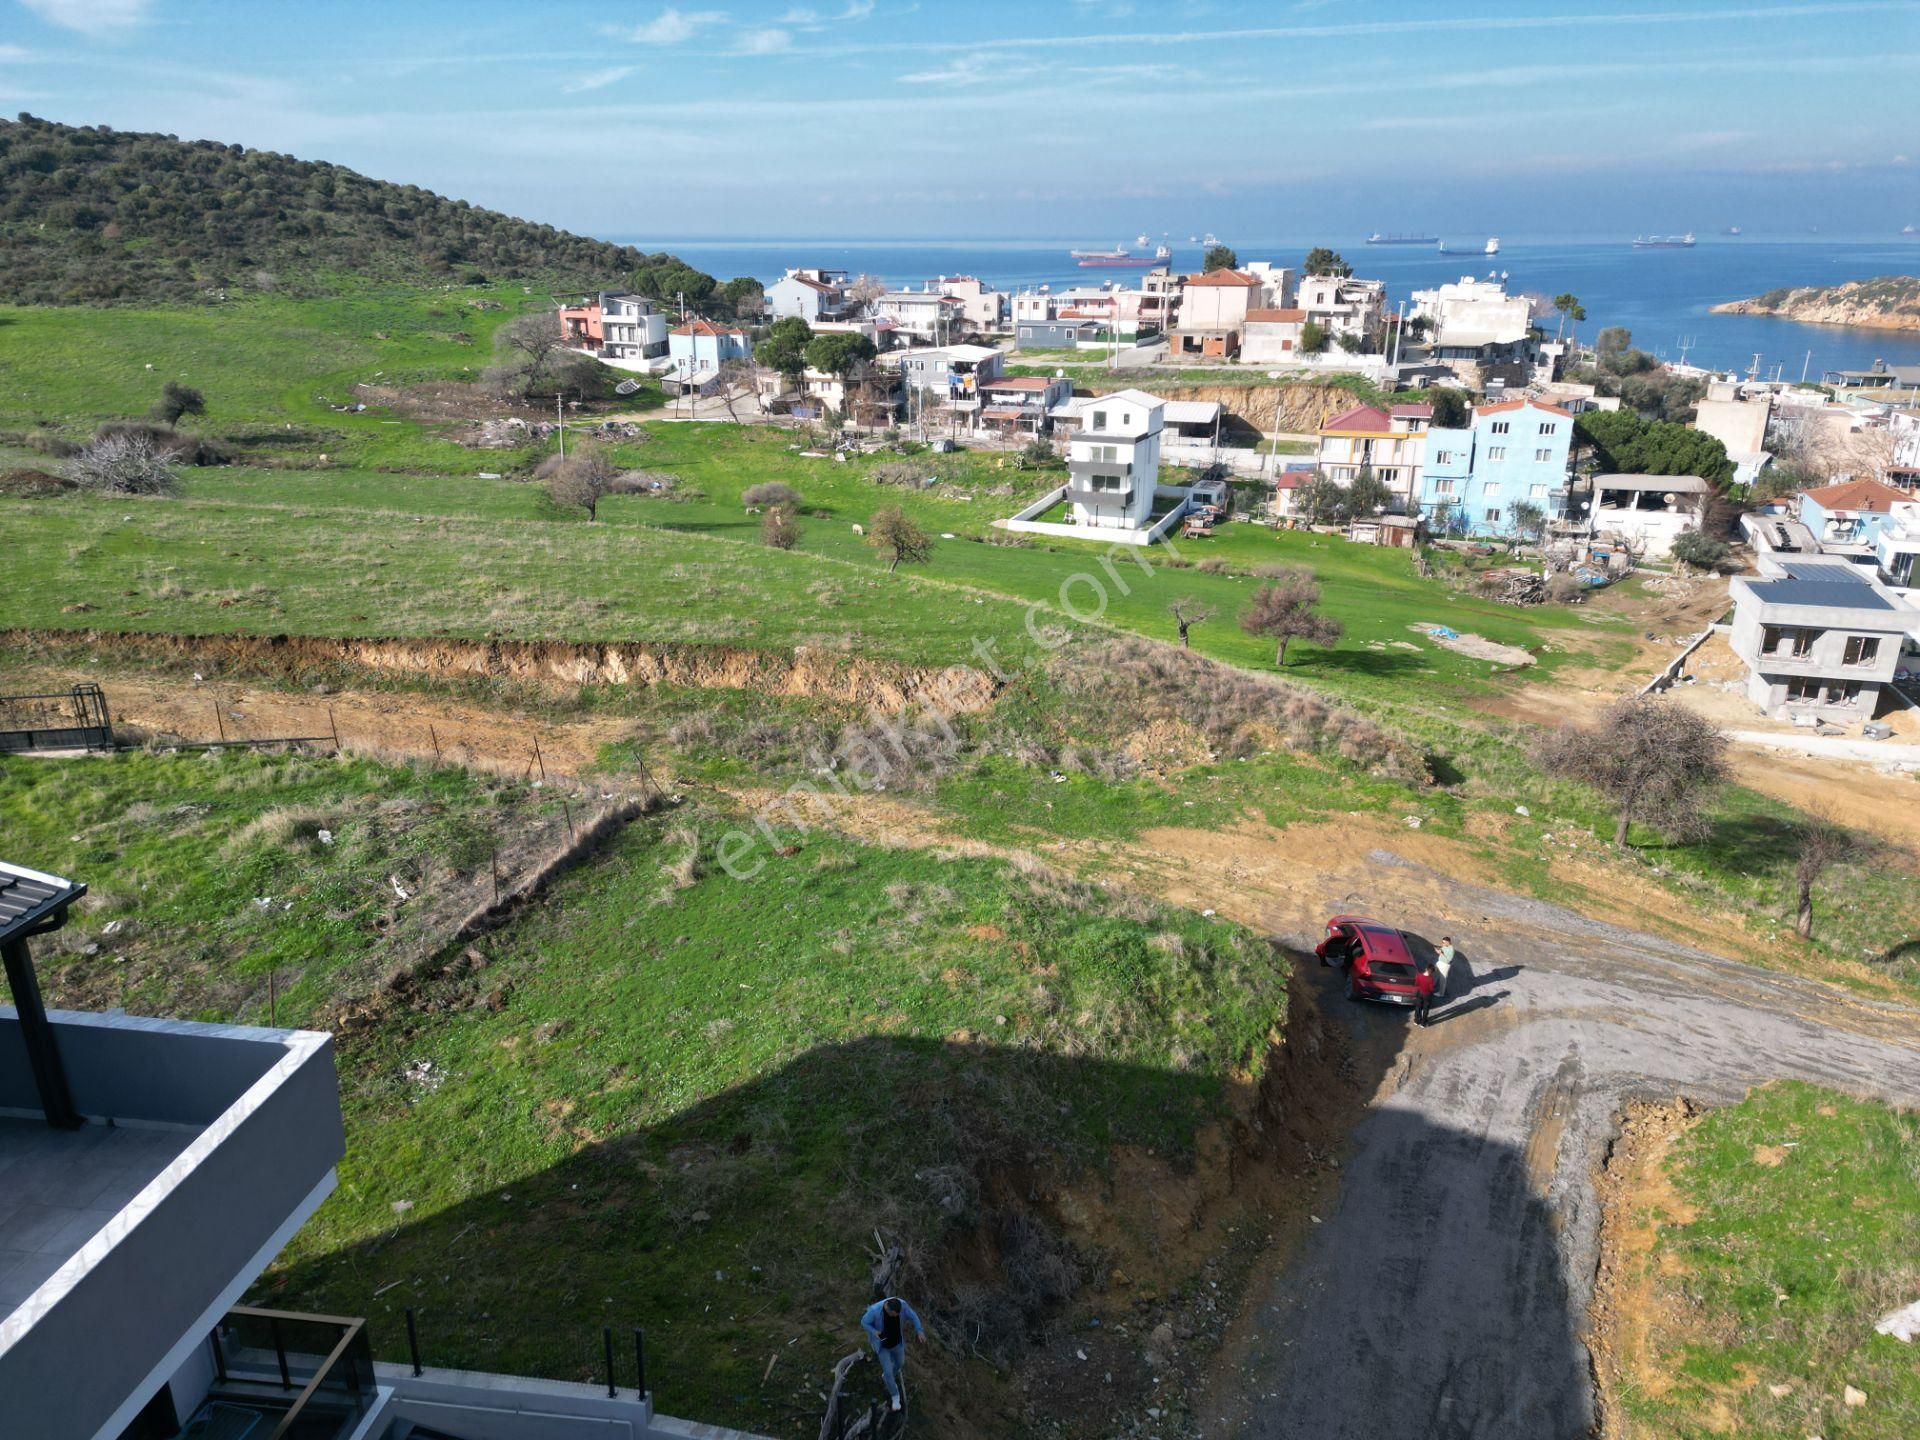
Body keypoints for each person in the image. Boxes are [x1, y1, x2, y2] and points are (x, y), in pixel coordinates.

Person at [861, 1295, 925, 1412]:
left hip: (897, 1343)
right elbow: (864, 1322)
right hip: (883, 1346)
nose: (898, 1316)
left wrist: (919, 1330)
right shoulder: (875, 1311)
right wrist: (874, 1332)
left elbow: (913, 1316)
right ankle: (895, 1396)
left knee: (900, 1363)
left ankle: (888, 1377)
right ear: (888, 1310)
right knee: (888, 1371)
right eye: (895, 1314)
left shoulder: (902, 1305)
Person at [1413, 961, 1436, 1027]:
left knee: (1418, 1007)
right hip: (1427, 995)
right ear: (1432, 972)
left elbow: (1416, 984)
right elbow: (1431, 989)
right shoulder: (1430, 979)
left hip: (1420, 993)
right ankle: (1423, 1023)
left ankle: (1416, 1021)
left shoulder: (1419, 975)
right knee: (1425, 1009)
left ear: (1426, 969)